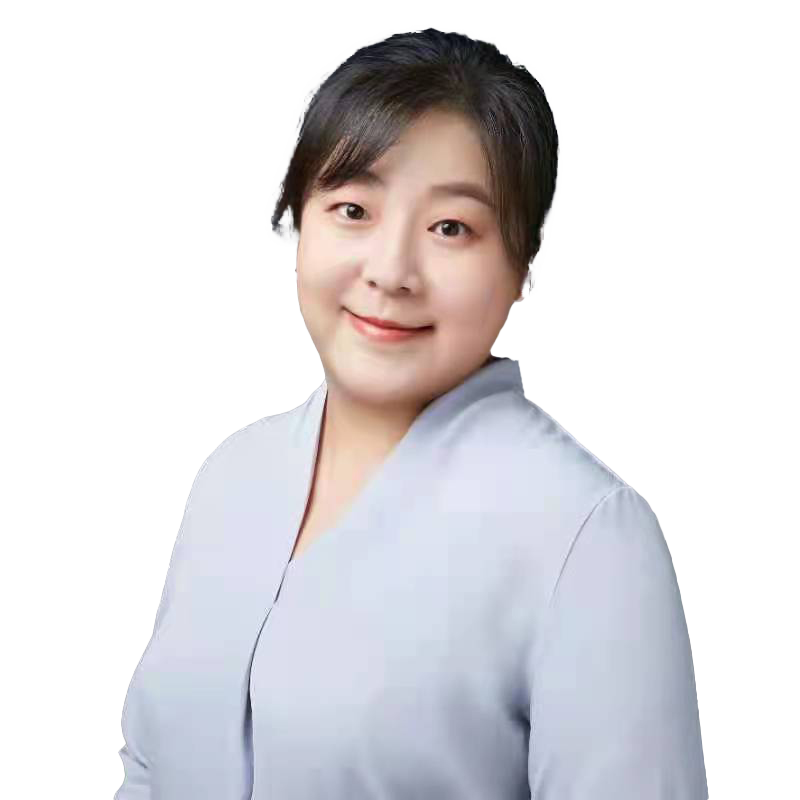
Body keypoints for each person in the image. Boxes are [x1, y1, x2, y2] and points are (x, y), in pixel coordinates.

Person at [113, 27, 708, 799]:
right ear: (299, 220)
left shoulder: (587, 535)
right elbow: (150, 770)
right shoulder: (233, 475)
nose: (391, 271)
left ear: (522, 263)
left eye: (450, 228)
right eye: (353, 209)